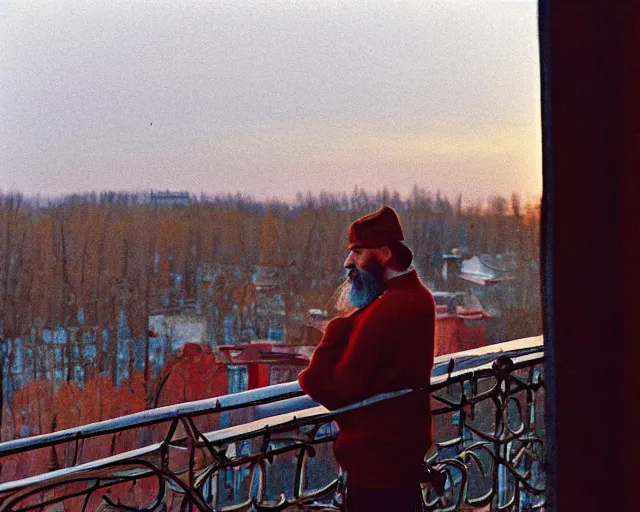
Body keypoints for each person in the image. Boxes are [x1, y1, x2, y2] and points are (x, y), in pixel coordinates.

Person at [298, 205, 435, 512]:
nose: (349, 262)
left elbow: (328, 388)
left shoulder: (386, 312)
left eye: (358, 253)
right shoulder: (418, 297)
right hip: (400, 467)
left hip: (376, 474)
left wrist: (335, 332)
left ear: (384, 252)